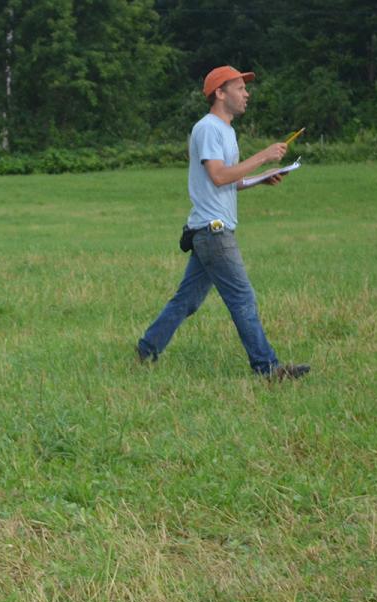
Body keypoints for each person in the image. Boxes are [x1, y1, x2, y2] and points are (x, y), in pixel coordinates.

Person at [136, 65, 310, 379]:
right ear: (220, 93)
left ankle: (147, 349)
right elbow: (218, 176)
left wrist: (261, 178)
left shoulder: (227, 131)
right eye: (240, 88)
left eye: (245, 88)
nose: (246, 94)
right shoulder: (207, 128)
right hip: (213, 231)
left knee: (186, 300)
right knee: (242, 297)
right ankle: (267, 368)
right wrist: (263, 157)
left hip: (208, 230)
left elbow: (228, 180)